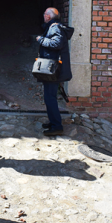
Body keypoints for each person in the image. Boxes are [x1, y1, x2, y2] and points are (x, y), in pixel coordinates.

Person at [36, 8, 74, 136]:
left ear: (48, 16)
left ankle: (57, 126)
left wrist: (40, 39)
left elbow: (57, 44)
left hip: (53, 70)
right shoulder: (53, 27)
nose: (43, 16)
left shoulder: (55, 28)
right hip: (52, 69)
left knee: (50, 98)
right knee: (49, 97)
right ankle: (54, 122)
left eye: (44, 14)